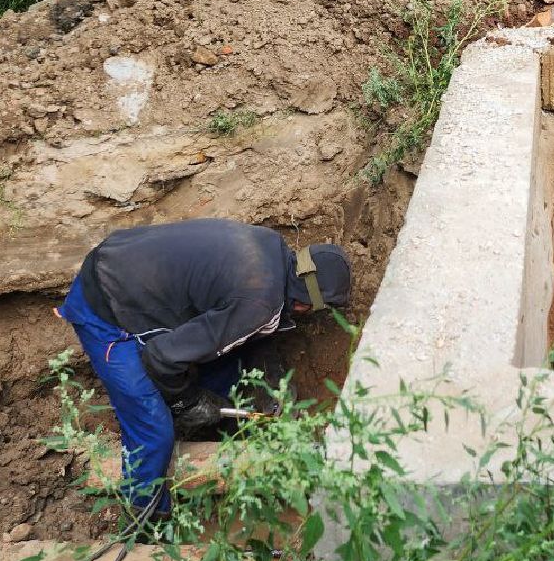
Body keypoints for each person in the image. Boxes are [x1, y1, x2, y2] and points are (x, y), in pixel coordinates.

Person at [56, 218, 352, 518]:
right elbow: (160, 358)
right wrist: (188, 401)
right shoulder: (259, 304)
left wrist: (269, 383)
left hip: (123, 259)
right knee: (153, 430)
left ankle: (215, 429)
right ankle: (145, 519)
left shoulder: (271, 250)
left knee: (224, 365)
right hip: (106, 309)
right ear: (305, 305)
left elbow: (244, 330)